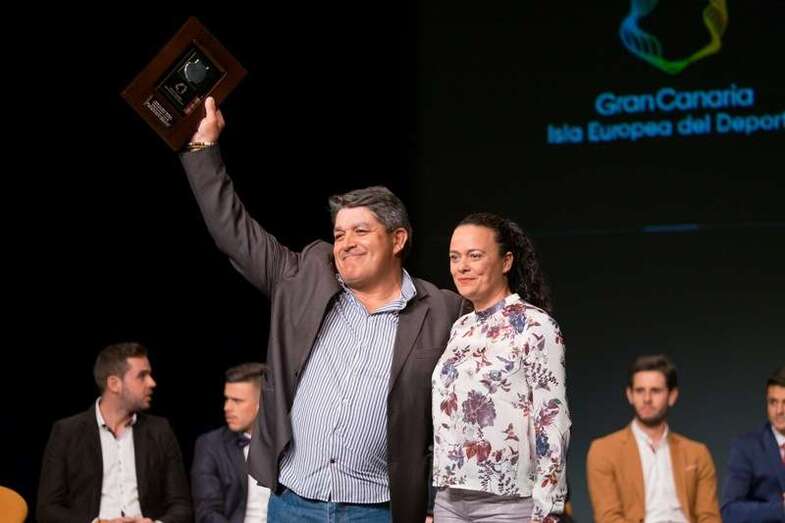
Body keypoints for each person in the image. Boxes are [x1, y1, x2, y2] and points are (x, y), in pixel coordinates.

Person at [179, 97, 464, 522]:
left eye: (361, 230)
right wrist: (204, 148)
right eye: (339, 233)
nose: (346, 243)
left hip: (378, 511)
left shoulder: (443, 311)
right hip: (294, 504)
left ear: (398, 239)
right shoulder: (303, 281)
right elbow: (233, 231)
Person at [431, 212, 570, 522]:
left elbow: (551, 420)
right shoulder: (461, 327)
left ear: (506, 262)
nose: (461, 266)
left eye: (474, 255)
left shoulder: (536, 326)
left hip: (509, 503)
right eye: (454, 257)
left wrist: (547, 509)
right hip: (449, 500)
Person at [37, 342, 192, 523]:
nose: (152, 383)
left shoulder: (160, 431)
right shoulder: (67, 432)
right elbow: (47, 510)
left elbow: (182, 506)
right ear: (114, 384)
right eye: (142, 376)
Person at [586, 354, 721, 523]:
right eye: (639, 391)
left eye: (655, 391)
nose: (647, 399)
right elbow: (608, 518)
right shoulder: (604, 451)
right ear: (629, 395)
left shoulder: (697, 453)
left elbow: (709, 517)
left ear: (672, 396)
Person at [192, 363, 271, 523]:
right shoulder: (211, 445)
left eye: (237, 401)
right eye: (227, 399)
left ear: (261, 404)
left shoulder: (285, 444)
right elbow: (207, 511)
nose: (227, 407)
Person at [721, 365, 785, 523]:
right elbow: (730, 511)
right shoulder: (747, 447)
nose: (779, 410)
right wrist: (780, 509)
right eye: (773, 402)